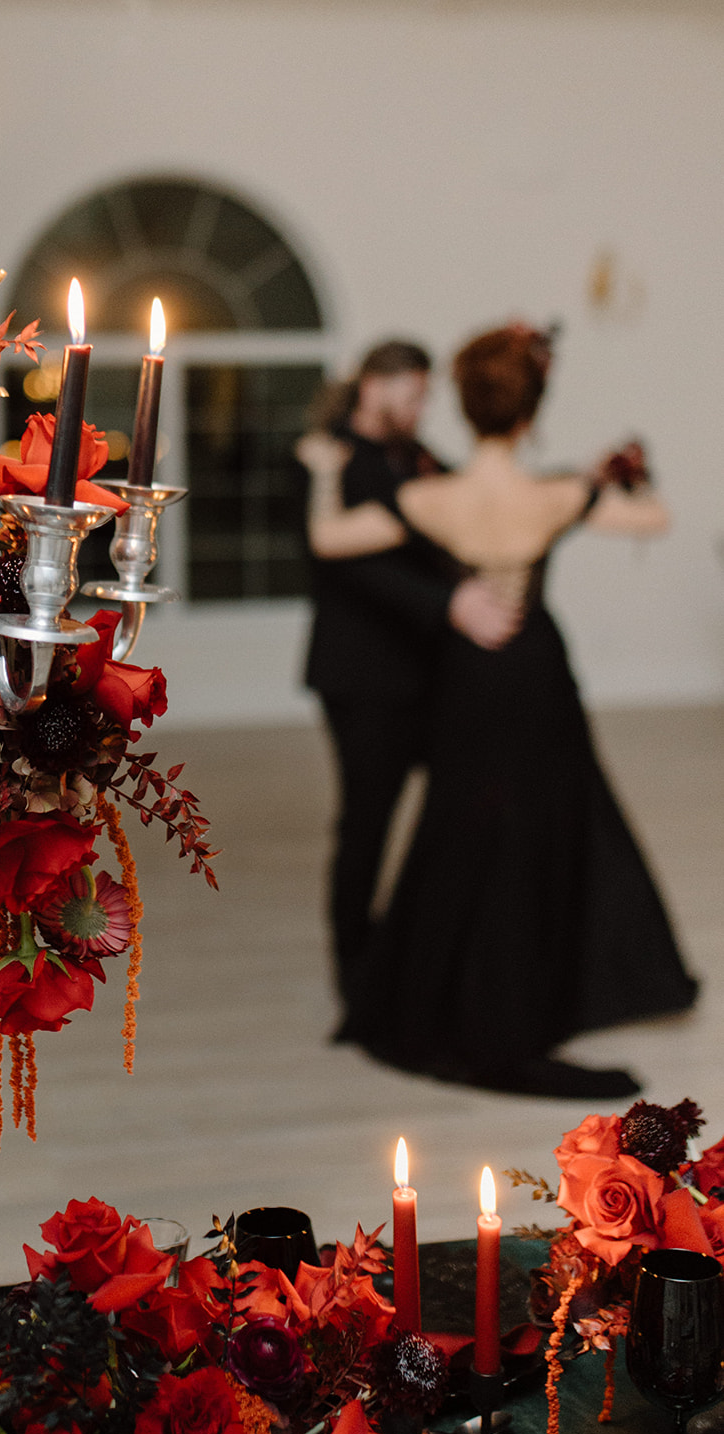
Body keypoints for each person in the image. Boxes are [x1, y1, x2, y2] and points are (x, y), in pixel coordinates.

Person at [303, 323, 698, 1099]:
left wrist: (324, 473)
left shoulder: (428, 493)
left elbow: (329, 537)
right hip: (536, 675)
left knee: (460, 826)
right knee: (541, 826)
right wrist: (634, 473)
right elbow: (652, 519)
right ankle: (541, 981)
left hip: (465, 681)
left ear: (464, 404)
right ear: (528, 414)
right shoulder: (553, 493)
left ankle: (450, 979)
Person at [297, 341, 521, 1018]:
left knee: (463, 806)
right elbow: (341, 566)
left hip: (429, 673)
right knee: (366, 822)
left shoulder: (414, 457)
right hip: (361, 678)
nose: (422, 408)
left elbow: (457, 509)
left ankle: (430, 951)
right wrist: (445, 603)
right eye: (413, 394)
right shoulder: (323, 458)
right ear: (373, 385)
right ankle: (354, 970)